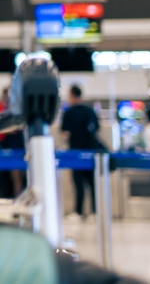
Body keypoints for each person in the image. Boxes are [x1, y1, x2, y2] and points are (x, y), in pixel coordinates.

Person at [60, 84, 100, 218]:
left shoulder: (69, 112)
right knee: (93, 184)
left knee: (78, 185)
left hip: (75, 154)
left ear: (71, 95)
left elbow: (65, 134)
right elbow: (97, 130)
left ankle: (78, 211)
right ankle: (95, 212)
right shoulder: (90, 111)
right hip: (91, 153)